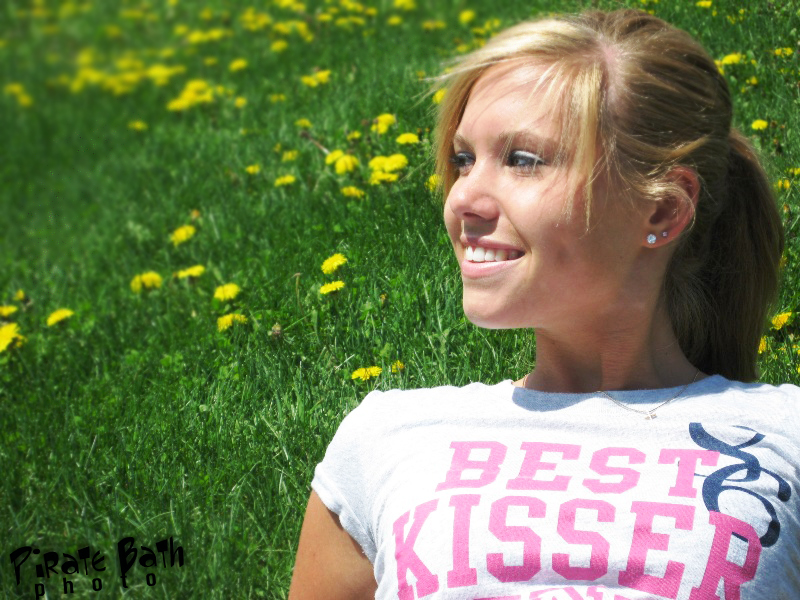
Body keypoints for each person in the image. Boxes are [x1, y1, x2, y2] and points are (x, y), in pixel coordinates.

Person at [289, 8, 799, 600]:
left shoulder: (784, 430)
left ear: (661, 210)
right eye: (463, 159)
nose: (463, 200)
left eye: (523, 160)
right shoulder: (387, 436)